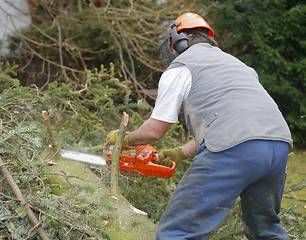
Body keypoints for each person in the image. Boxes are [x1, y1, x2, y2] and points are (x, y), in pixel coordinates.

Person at [106, 12, 293, 240]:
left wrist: (126, 139)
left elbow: (155, 129)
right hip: (278, 146)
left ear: (177, 41)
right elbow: (231, 125)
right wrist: (178, 153)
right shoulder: (238, 66)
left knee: (177, 232)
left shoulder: (181, 67)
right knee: (265, 230)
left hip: (233, 150)